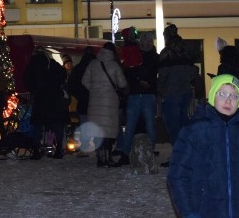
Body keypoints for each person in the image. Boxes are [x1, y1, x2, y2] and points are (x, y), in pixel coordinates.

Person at [168, 74, 239, 218]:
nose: (228, 100)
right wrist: (190, 212)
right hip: (206, 211)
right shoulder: (194, 130)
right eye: (222, 93)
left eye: (235, 96)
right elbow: (178, 175)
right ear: (213, 95)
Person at [81, 42, 126, 167]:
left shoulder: (93, 64)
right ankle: (108, 158)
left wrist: (95, 90)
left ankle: (100, 158)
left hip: (94, 102)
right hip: (110, 102)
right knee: (108, 132)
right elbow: (122, 84)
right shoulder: (114, 65)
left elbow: (84, 81)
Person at [116, 31, 159, 164]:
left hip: (138, 94)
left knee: (133, 125)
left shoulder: (138, 54)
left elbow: (128, 71)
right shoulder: (153, 56)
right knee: (144, 125)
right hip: (144, 94)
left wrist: (137, 79)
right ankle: (144, 152)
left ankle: (127, 153)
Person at [158, 23, 198, 157]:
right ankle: (186, 152)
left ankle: (178, 154)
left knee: (173, 126)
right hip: (185, 91)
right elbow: (193, 70)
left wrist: (160, 89)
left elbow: (162, 74)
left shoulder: (166, 52)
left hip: (170, 93)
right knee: (183, 124)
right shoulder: (185, 50)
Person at [23, 46, 68, 159]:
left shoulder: (32, 65)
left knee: (37, 125)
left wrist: (35, 88)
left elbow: (26, 80)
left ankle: (36, 150)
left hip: (40, 98)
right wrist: (56, 84)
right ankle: (58, 150)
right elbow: (63, 74)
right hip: (53, 98)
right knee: (56, 123)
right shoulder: (51, 63)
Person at [64, 46, 95, 156]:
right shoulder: (97, 66)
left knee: (85, 124)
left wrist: (78, 96)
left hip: (83, 101)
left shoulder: (79, 68)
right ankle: (103, 148)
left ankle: (85, 148)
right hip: (98, 101)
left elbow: (71, 85)